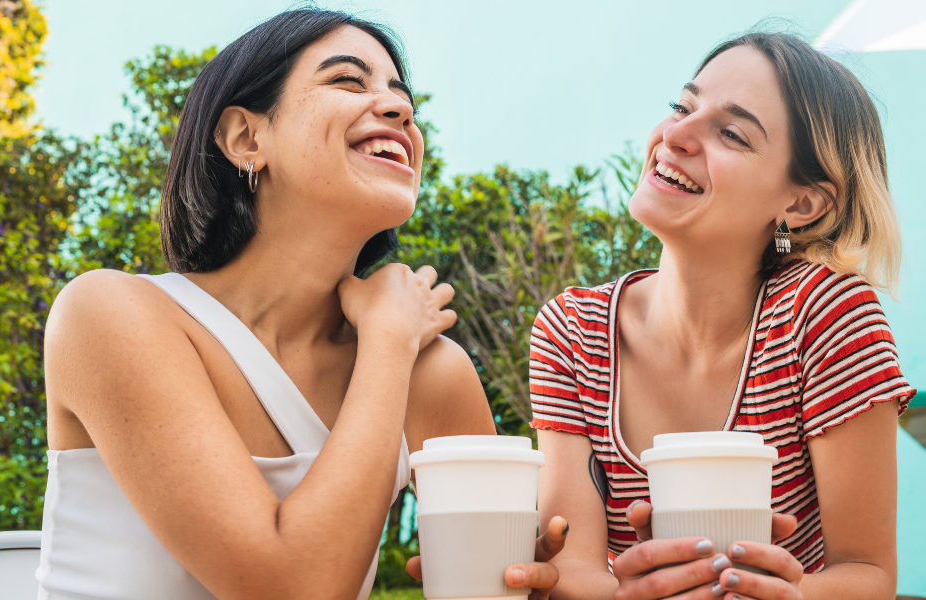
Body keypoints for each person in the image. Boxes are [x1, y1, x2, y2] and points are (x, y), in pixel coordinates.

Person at [38, 10, 563, 599]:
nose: (399, 109)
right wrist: (388, 340)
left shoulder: (435, 375)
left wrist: (519, 584)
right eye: (347, 80)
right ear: (246, 137)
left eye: (400, 92)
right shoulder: (109, 313)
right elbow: (290, 588)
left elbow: (494, 585)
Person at [530, 31, 915, 600]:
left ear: (802, 203)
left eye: (731, 133)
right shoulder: (573, 331)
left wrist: (792, 594)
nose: (675, 136)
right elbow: (573, 566)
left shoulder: (826, 316)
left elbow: (869, 574)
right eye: (682, 107)